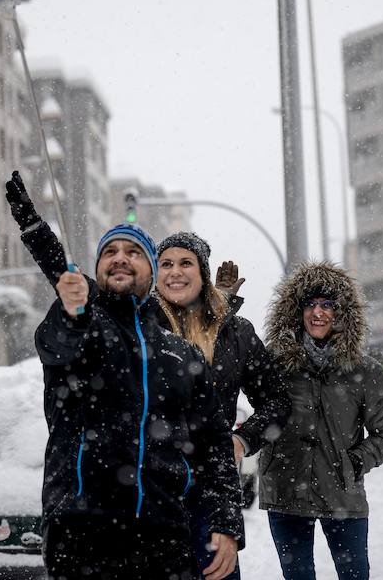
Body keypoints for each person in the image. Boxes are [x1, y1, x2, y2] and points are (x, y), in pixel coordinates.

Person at [7, 179, 243, 579]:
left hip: (166, 536)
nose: (120, 258)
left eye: (134, 252)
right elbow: (59, 341)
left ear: (151, 272)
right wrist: (68, 304)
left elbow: (214, 447)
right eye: (110, 252)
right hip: (80, 535)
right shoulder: (81, 328)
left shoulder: (181, 354)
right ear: (98, 270)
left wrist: (226, 523)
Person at [154, 232, 292, 579]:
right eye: (166, 264)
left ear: (202, 272)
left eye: (186, 263)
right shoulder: (139, 328)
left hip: (213, 490)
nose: (175, 272)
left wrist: (241, 440)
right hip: (151, 490)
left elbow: (277, 402)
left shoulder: (237, 333)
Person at [259, 262, 383, 580]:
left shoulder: (364, 370)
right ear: (295, 312)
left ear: (342, 313)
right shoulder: (274, 364)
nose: (317, 313)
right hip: (286, 492)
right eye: (309, 304)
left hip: (343, 493)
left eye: (327, 305)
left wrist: (353, 462)